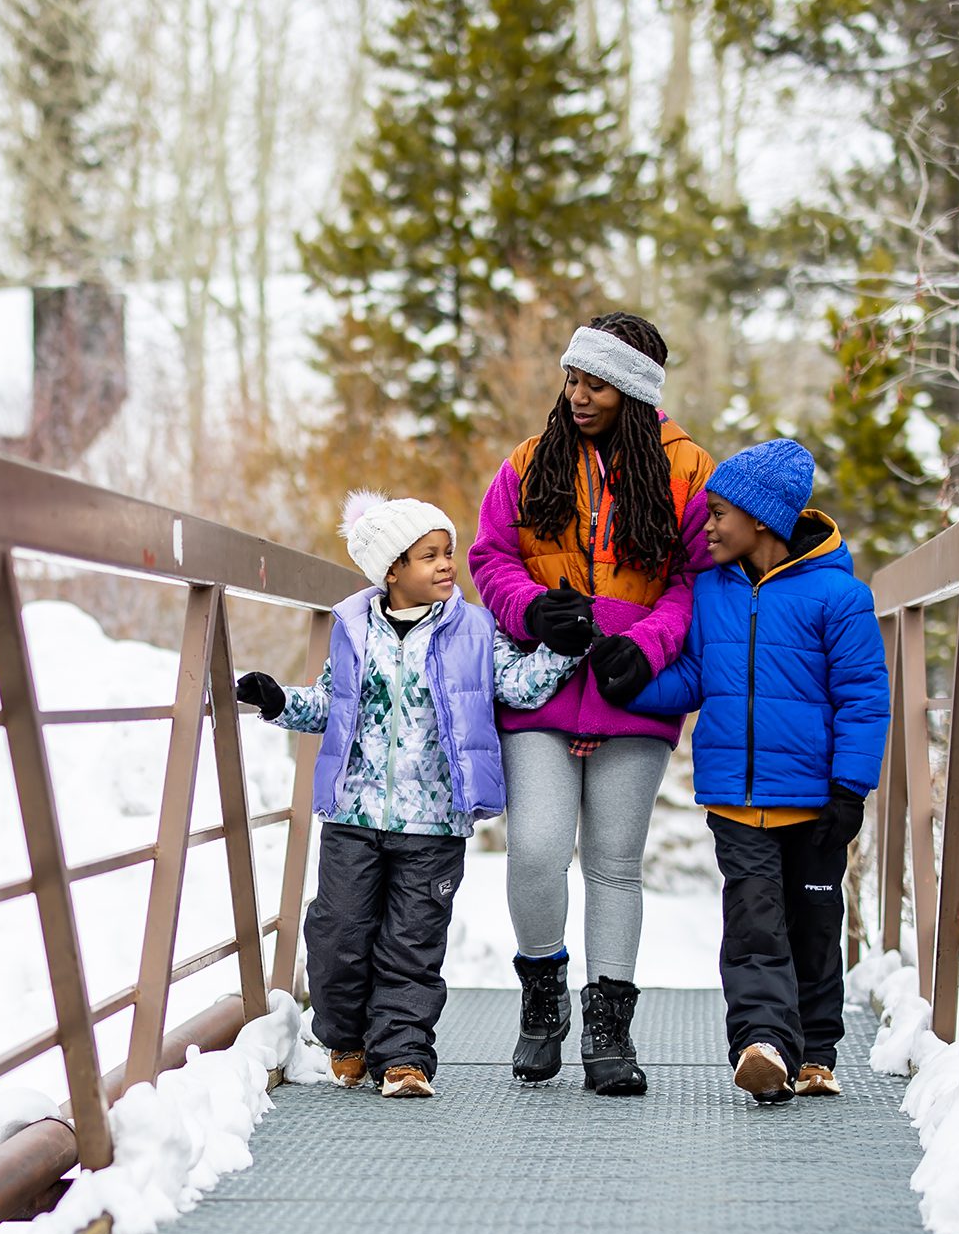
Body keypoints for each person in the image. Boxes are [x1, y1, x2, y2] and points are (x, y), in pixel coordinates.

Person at [236, 493, 579, 1099]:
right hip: (353, 814)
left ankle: (404, 1056)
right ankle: (346, 1038)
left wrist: (563, 646)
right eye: (430, 556)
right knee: (338, 932)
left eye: (449, 553)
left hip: (435, 822)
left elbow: (517, 686)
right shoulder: (352, 629)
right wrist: (279, 701)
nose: (448, 565)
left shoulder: (474, 629)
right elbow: (330, 706)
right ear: (392, 570)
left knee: (412, 941)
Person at [468, 312, 715, 1095]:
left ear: (633, 392)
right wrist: (531, 609)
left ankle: (610, 1033)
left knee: (613, 863)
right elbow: (490, 556)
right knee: (537, 848)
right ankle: (543, 1002)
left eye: (595, 383)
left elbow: (693, 584)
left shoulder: (690, 472)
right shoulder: (530, 460)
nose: (576, 395)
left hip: (631, 691)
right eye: (572, 379)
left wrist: (645, 648)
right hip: (541, 689)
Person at [622, 439, 889, 1104]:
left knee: (814, 924)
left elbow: (863, 694)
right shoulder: (711, 592)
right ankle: (762, 1043)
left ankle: (816, 1052)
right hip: (736, 796)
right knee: (753, 925)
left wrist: (851, 787)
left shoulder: (839, 596)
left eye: (717, 514)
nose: (706, 527)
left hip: (815, 798)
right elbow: (693, 676)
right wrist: (626, 684)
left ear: (760, 519)